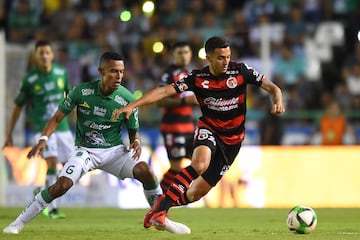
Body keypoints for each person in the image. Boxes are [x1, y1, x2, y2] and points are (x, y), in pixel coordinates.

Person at [3, 52, 190, 235]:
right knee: (61, 186)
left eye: (122, 72)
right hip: (86, 151)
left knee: (146, 172)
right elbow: (57, 117)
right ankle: (17, 223)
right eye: (113, 71)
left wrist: (136, 142)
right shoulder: (81, 92)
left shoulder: (127, 99)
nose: (119, 76)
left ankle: (160, 217)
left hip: (114, 152)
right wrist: (43, 139)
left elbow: (133, 131)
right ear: (101, 71)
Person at [112, 36, 285, 232]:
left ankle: (158, 208)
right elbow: (164, 93)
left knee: (194, 194)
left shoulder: (241, 71)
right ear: (208, 58)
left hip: (233, 141)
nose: (226, 61)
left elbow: (273, 88)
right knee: (199, 164)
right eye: (220, 57)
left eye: (228, 57)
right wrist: (133, 105)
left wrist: (277, 101)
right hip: (209, 129)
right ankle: (160, 212)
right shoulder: (198, 78)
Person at [3, 40, 74, 219]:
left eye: (47, 52)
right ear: (35, 56)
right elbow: (18, 106)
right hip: (43, 129)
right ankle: (52, 209)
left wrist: (78, 124)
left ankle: (41, 190)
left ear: (52, 55)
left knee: (70, 167)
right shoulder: (29, 80)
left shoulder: (61, 73)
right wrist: (10, 132)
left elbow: (72, 100)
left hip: (63, 127)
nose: (44, 56)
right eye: (40, 53)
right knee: (52, 161)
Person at [158, 41, 197, 192]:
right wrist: (184, 100)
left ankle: (178, 194)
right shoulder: (168, 74)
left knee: (200, 162)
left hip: (189, 126)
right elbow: (160, 101)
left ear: (191, 54)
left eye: (186, 52)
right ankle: (158, 197)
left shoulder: (190, 74)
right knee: (176, 167)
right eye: (179, 53)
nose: (183, 56)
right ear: (173, 55)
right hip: (173, 127)